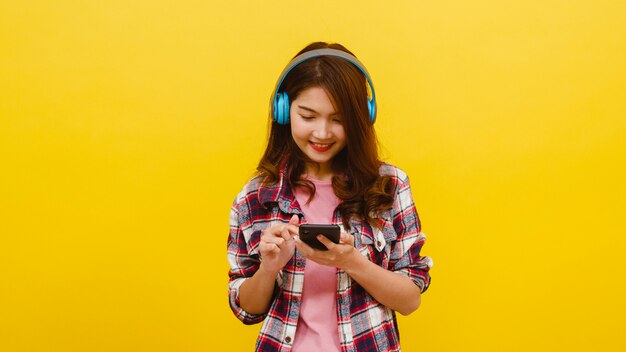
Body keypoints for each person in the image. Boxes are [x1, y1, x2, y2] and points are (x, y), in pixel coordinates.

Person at [227, 42, 433, 352]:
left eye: (338, 120)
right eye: (308, 116)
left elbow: (410, 300)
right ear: (283, 110)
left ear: (362, 117)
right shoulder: (255, 198)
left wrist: (353, 262)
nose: (322, 133)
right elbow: (247, 310)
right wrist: (268, 268)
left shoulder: (390, 186)